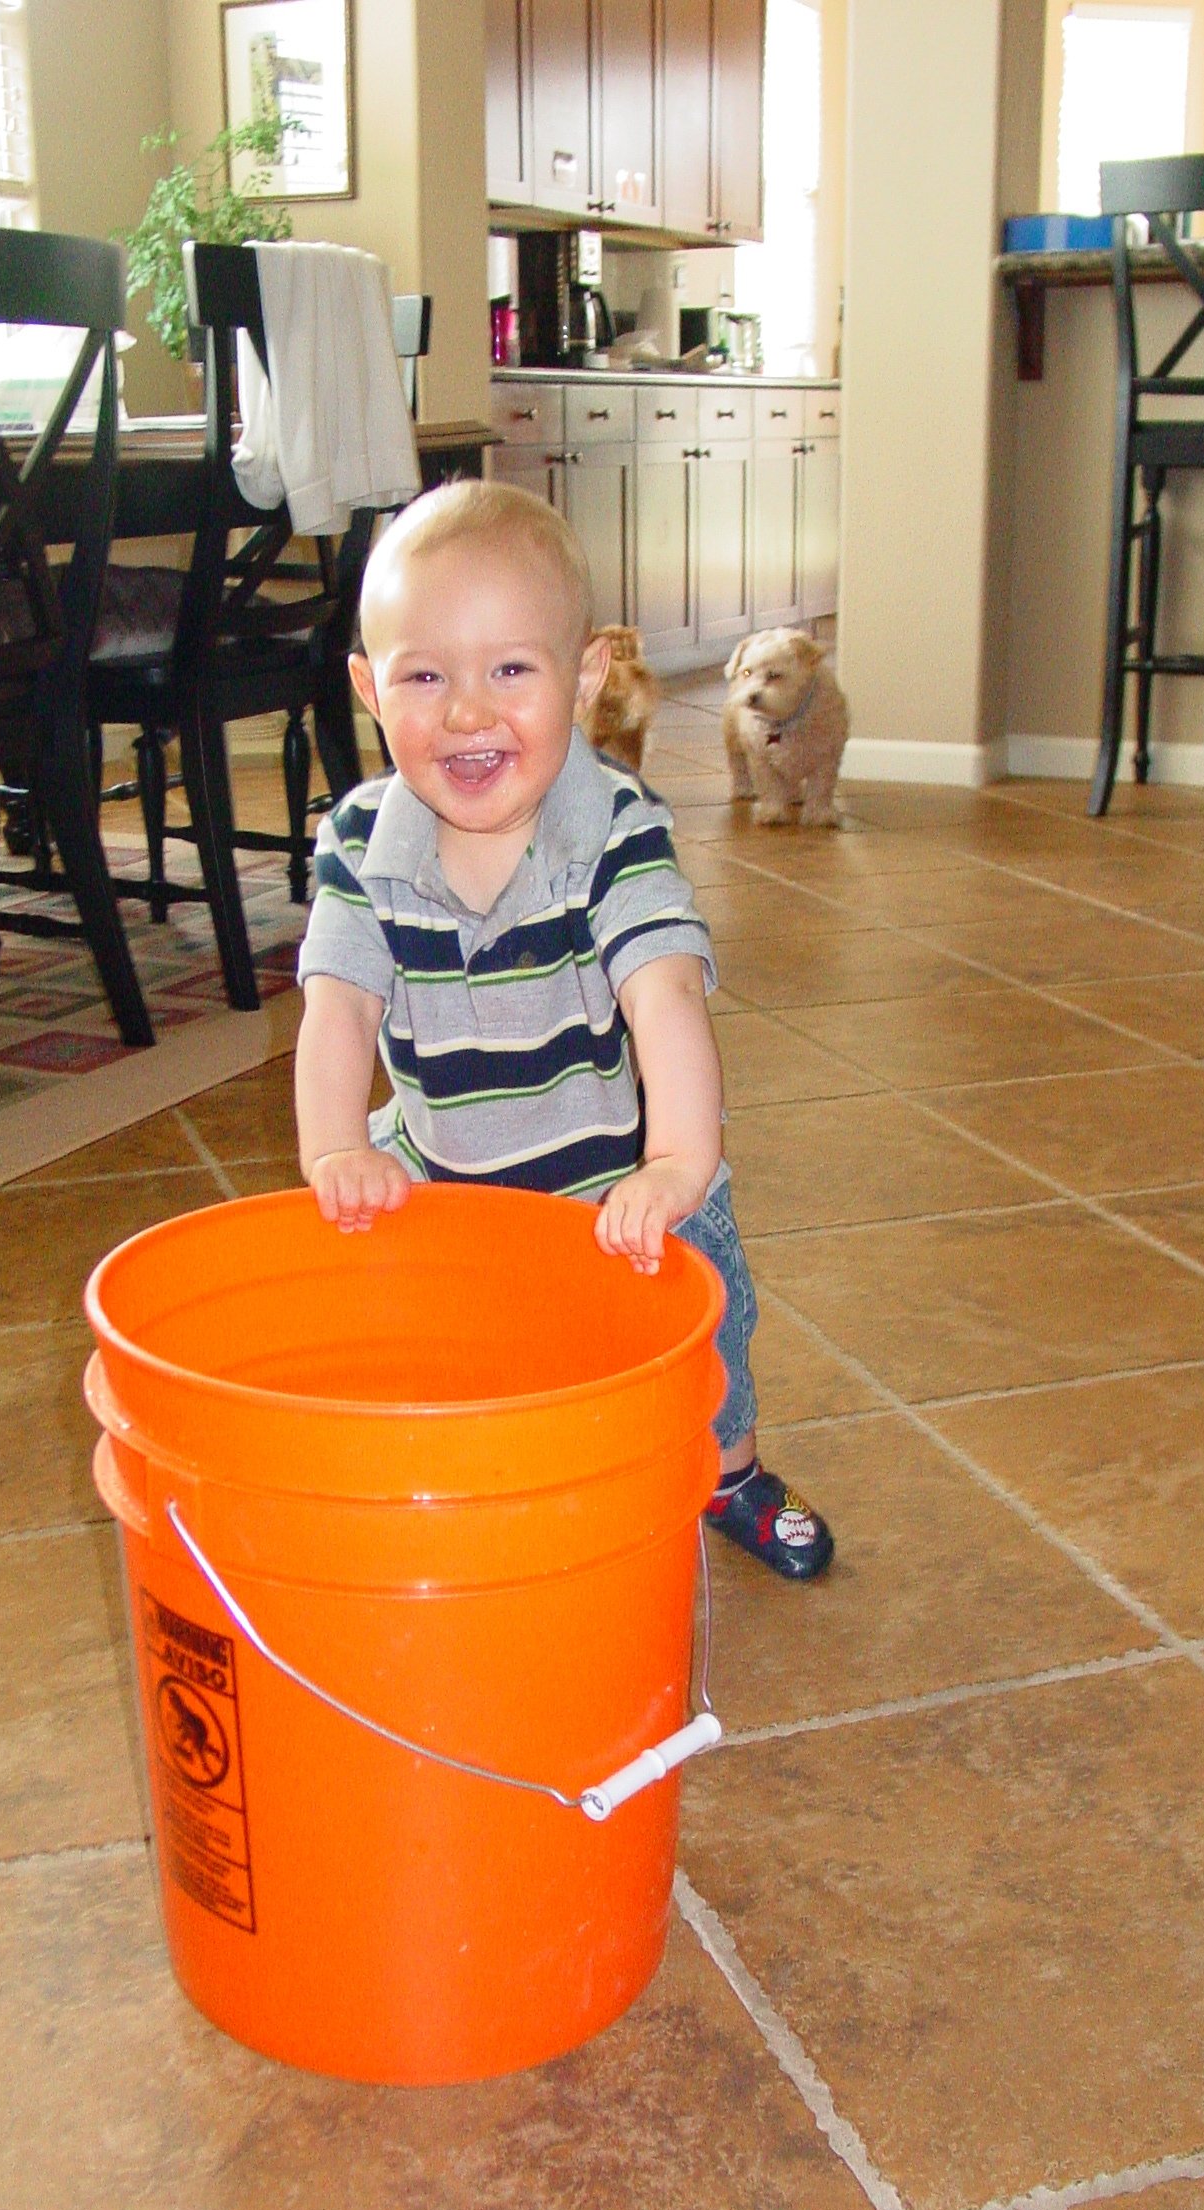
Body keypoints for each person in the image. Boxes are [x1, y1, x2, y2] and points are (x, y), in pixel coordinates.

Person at [292, 480, 832, 1581]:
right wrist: (336, 1149)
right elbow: (336, 1004)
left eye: (511, 671)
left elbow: (664, 994)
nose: (468, 712)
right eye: (425, 676)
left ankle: (729, 1469)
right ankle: (478, 1470)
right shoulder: (358, 838)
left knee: (703, 1326)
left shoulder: (617, 830)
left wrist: (680, 1164)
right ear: (367, 689)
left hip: (612, 1182)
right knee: (438, 1338)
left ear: (585, 676)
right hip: (449, 1170)